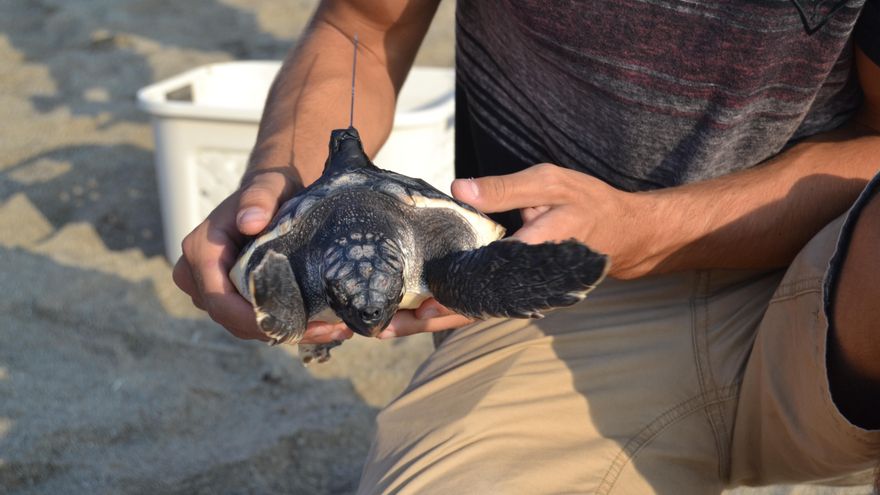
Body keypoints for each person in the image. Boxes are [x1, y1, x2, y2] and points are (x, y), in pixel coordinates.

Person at [173, 0, 880, 493]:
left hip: (823, 271)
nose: (368, 322)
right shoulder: (434, 258)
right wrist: (273, 192)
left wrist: (644, 229)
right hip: (560, 313)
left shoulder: (462, 261)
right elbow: (359, 26)